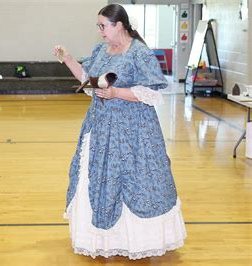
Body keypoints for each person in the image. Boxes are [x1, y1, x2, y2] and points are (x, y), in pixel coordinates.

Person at [54, 4, 186, 260]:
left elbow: (152, 93)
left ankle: (137, 241)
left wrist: (116, 93)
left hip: (134, 132)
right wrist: (68, 58)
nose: (101, 31)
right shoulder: (101, 51)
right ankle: (104, 240)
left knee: (136, 182)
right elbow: (88, 79)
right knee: (99, 180)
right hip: (100, 126)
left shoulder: (140, 53)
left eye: (103, 26)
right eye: (99, 26)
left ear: (119, 25)